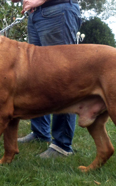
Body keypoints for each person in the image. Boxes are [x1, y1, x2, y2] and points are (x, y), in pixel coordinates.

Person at [11, 0, 82, 158]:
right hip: (36, 14)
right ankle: (40, 132)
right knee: (36, 76)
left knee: (60, 78)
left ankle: (62, 145)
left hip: (57, 10)